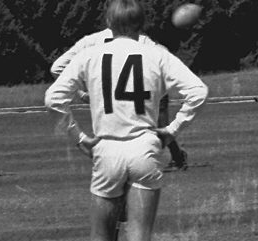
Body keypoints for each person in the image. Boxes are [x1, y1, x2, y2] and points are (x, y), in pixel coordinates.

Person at [45, 0, 208, 241]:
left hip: (106, 149)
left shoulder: (90, 53)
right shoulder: (156, 54)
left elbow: (53, 98)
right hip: (144, 149)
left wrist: (79, 138)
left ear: (109, 21)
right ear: (141, 23)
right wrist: (172, 131)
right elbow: (198, 91)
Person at [52, 27, 189, 170]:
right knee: (154, 128)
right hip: (141, 90)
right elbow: (163, 52)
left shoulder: (91, 41)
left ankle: (129, 163)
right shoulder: (139, 39)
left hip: (110, 94)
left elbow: (57, 68)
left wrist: (82, 92)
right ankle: (170, 158)